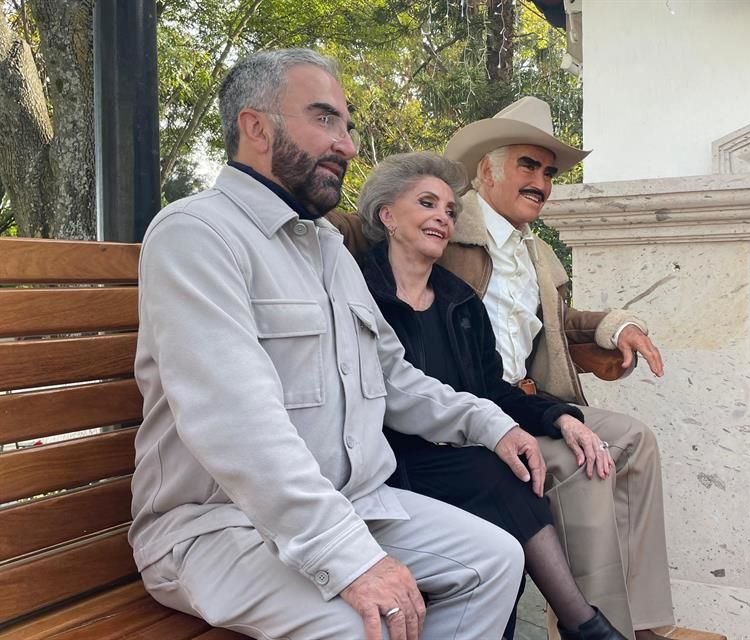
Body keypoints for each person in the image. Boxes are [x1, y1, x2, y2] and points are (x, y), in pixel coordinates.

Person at [129, 49, 546, 640]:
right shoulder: (196, 235)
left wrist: (490, 423)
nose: (347, 144)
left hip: (351, 506)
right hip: (217, 529)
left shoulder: (326, 246)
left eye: (345, 125)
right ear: (256, 127)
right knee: (370, 623)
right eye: (325, 119)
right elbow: (236, 422)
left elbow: (393, 377)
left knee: (496, 559)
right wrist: (350, 559)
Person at [438, 97, 716, 640]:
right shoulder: (446, 232)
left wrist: (615, 327)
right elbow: (376, 241)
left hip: (531, 397)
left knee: (636, 440)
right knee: (586, 461)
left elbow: (562, 321)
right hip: (471, 412)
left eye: (549, 171)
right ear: (486, 169)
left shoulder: (538, 253)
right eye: (528, 165)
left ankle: (643, 622)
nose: (542, 181)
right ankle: (597, 626)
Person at [347, 151, 627, 640]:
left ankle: (578, 625)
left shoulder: (460, 302)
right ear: (387, 215)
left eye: (451, 210)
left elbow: (492, 391)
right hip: (385, 459)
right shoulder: (357, 289)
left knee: (512, 477)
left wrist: (560, 417)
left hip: (460, 455)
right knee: (498, 475)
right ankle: (583, 623)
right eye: (427, 203)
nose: (442, 217)